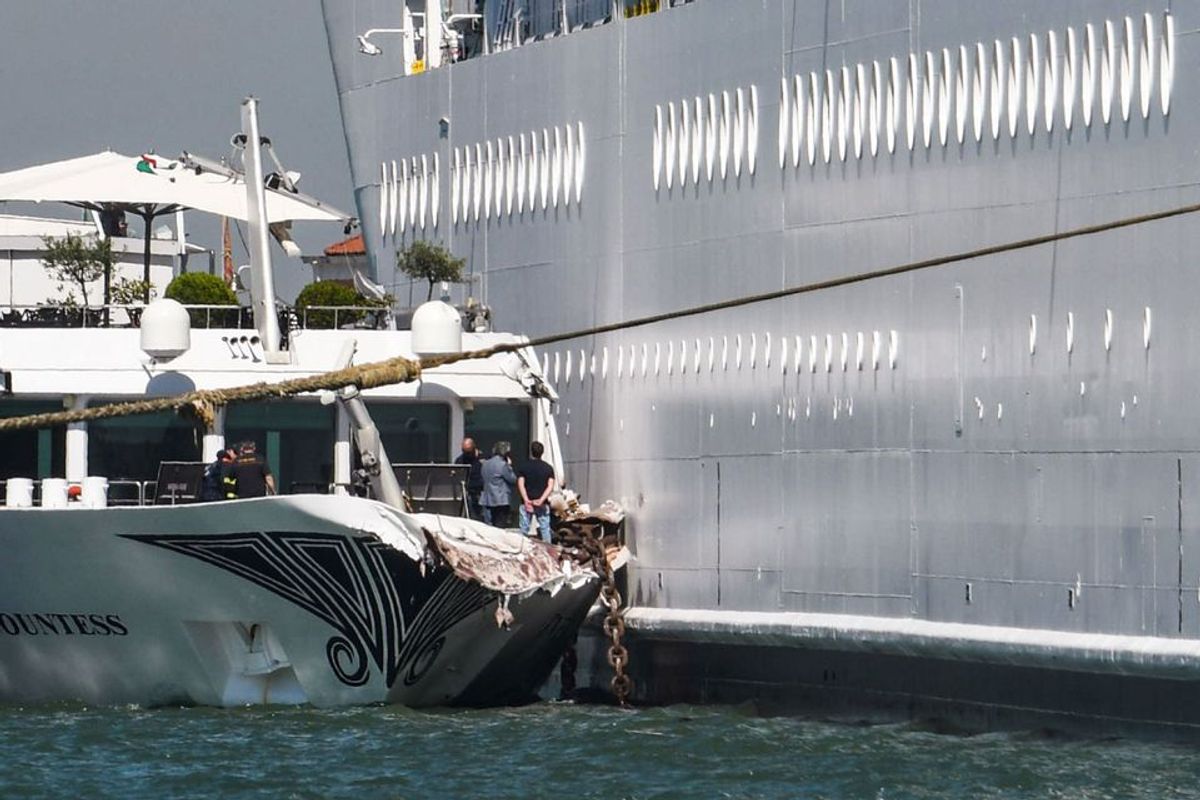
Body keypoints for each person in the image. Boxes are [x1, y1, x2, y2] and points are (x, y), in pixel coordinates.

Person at [517, 441, 556, 543]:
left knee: (524, 529)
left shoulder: (524, 467)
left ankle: (522, 548)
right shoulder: (548, 468)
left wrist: (526, 499)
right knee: (545, 529)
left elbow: (521, 484)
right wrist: (541, 499)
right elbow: (550, 486)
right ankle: (548, 549)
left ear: (531, 452)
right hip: (542, 503)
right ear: (542, 452)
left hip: (527, 502)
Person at [479, 441, 516, 527]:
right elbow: (513, 479)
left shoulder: (485, 464)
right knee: (500, 525)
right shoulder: (503, 465)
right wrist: (509, 466)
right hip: (501, 499)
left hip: (487, 498)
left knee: (488, 525)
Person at [454, 436, 484, 520]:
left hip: (482, 492)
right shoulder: (460, 460)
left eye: (468, 452)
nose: (467, 454)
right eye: (464, 451)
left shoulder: (483, 458)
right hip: (468, 491)